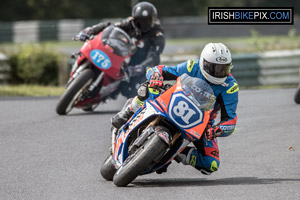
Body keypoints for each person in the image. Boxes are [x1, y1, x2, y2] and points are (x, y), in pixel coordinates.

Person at [111, 42, 239, 175]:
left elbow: (230, 120)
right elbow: (159, 70)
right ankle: (128, 111)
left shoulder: (230, 86)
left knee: (211, 164)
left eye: (224, 68)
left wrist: (217, 130)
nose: (219, 73)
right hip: (172, 101)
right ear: (204, 63)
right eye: (215, 68)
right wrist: (156, 77)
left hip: (201, 122)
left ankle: (176, 152)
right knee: (148, 89)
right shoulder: (192, 66)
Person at [77, 1, 165, 97]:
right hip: (122, 56)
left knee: (133, 91)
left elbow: (154, 55)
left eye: (148, 21)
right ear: (134, 19)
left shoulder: (157, 34)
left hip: (140, 65)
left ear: (153, 20)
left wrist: (141, 67)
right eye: (140, 21)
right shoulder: (128, 23)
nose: (144, 24)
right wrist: (91, 30)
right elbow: (110, 27)